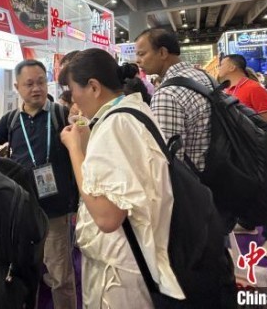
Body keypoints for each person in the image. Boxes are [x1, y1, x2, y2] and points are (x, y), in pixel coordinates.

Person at [58, 48, 184, 307]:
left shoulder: (114, 126)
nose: (74, 102)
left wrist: (74, 149)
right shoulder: (133, 110)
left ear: (93, 87)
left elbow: (107, 217)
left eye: (73, 91)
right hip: (136, 258)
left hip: (120, 270)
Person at [0, 59, 78, 309]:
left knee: (60, 276)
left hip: (54, 210)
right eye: (29, 84)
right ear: (17, 87)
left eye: (41, 82)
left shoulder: (61, 115)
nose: (36, 88)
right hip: (22, 211)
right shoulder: (10, 120)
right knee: (25, 272)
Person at [217, 54, 267, 256]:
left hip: (257, 150)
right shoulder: (228, 90)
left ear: (231, 67)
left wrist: (257, 144)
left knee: (266, 191)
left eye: (221, 64)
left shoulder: (253, 88)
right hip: (238, 150)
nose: (218, 67)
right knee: (242, 188)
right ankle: (247, 223)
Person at [135, 28, 213, 175]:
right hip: (216, 173)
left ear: (162, 53)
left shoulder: (167, 94)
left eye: (142, 54)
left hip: (193, 183)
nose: (137, 60)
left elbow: (166, 163)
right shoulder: (204, 77)